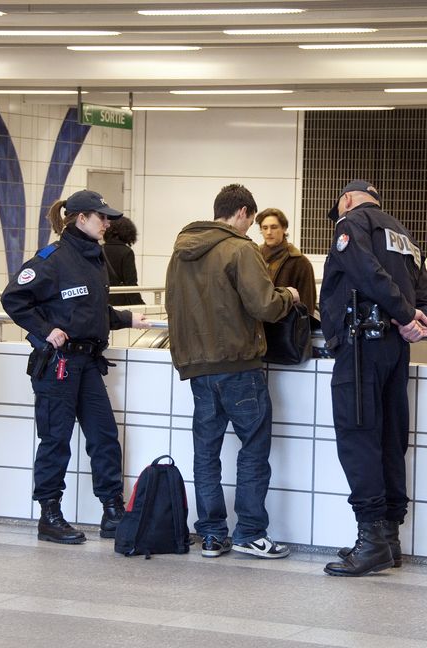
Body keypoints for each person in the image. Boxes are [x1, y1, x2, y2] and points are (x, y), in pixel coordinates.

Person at [1, 189, 150, 545]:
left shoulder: (95, 258)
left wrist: (127, 318)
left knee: (103, 437)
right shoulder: (52, 259)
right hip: (59, 366)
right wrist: (44, 330)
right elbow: (12, 298)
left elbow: (90, 312)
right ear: (80, 219)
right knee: (56, 441)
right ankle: (50, 515)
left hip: (87, 364)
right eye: (102, 217)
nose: (108, 223)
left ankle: (112, 510)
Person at [165, 183, 300, 559]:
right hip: (239, 366)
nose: (252, 228)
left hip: (197, 369)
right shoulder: (241, 249)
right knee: (253, 450)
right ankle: (250, 533)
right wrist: (290, 296)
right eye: (252, 220)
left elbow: (174, 306)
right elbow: (266, 306)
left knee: (205, 453)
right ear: (242, 212)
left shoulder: (180, 252)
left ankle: (210, 535)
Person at [320, 179, 427, 577]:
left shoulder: (351, 222)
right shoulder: (405, 234)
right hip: (394, 350)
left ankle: (370, 542)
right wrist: (414, 320)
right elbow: (423, 294)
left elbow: (364, 271)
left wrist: (402, 314)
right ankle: (389, 540)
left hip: (361, 345)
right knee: (389, 439)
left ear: (346, 199)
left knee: (359, 437)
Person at [256, 207, 317, 315]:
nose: (269, 232)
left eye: (274, 227)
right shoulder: (255, 255)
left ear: (284, 228)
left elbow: (307, 305)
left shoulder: (300, 262)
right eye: (264, 228)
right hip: (259, 325)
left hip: (286, 326)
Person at [102, 216, 145, 306]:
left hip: (102, 300)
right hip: (120, 302)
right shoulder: (126, 252)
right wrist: (140, 304)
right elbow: (131, 283)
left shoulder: (100, 249)